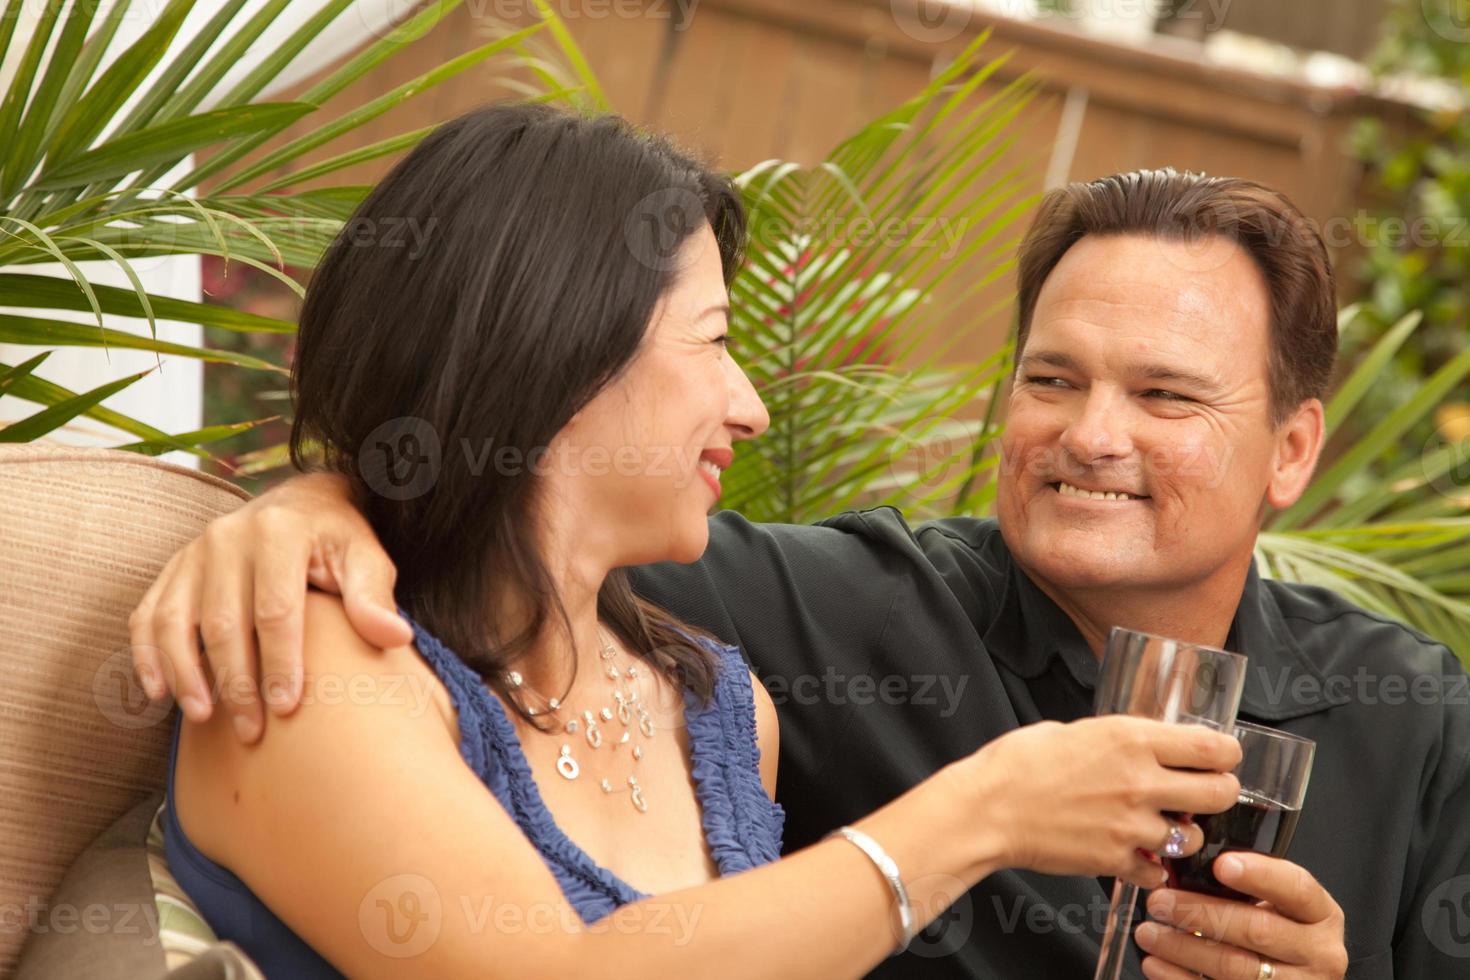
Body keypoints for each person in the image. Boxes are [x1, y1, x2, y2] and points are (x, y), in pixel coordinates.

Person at [132, 161, 1469, 977]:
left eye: (1163, 396)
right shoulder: (836, 612)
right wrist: (319, 503)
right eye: (1050, 380)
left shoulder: (1412, 722)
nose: (1088, 435)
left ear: (1291, 449)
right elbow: (520, 522)